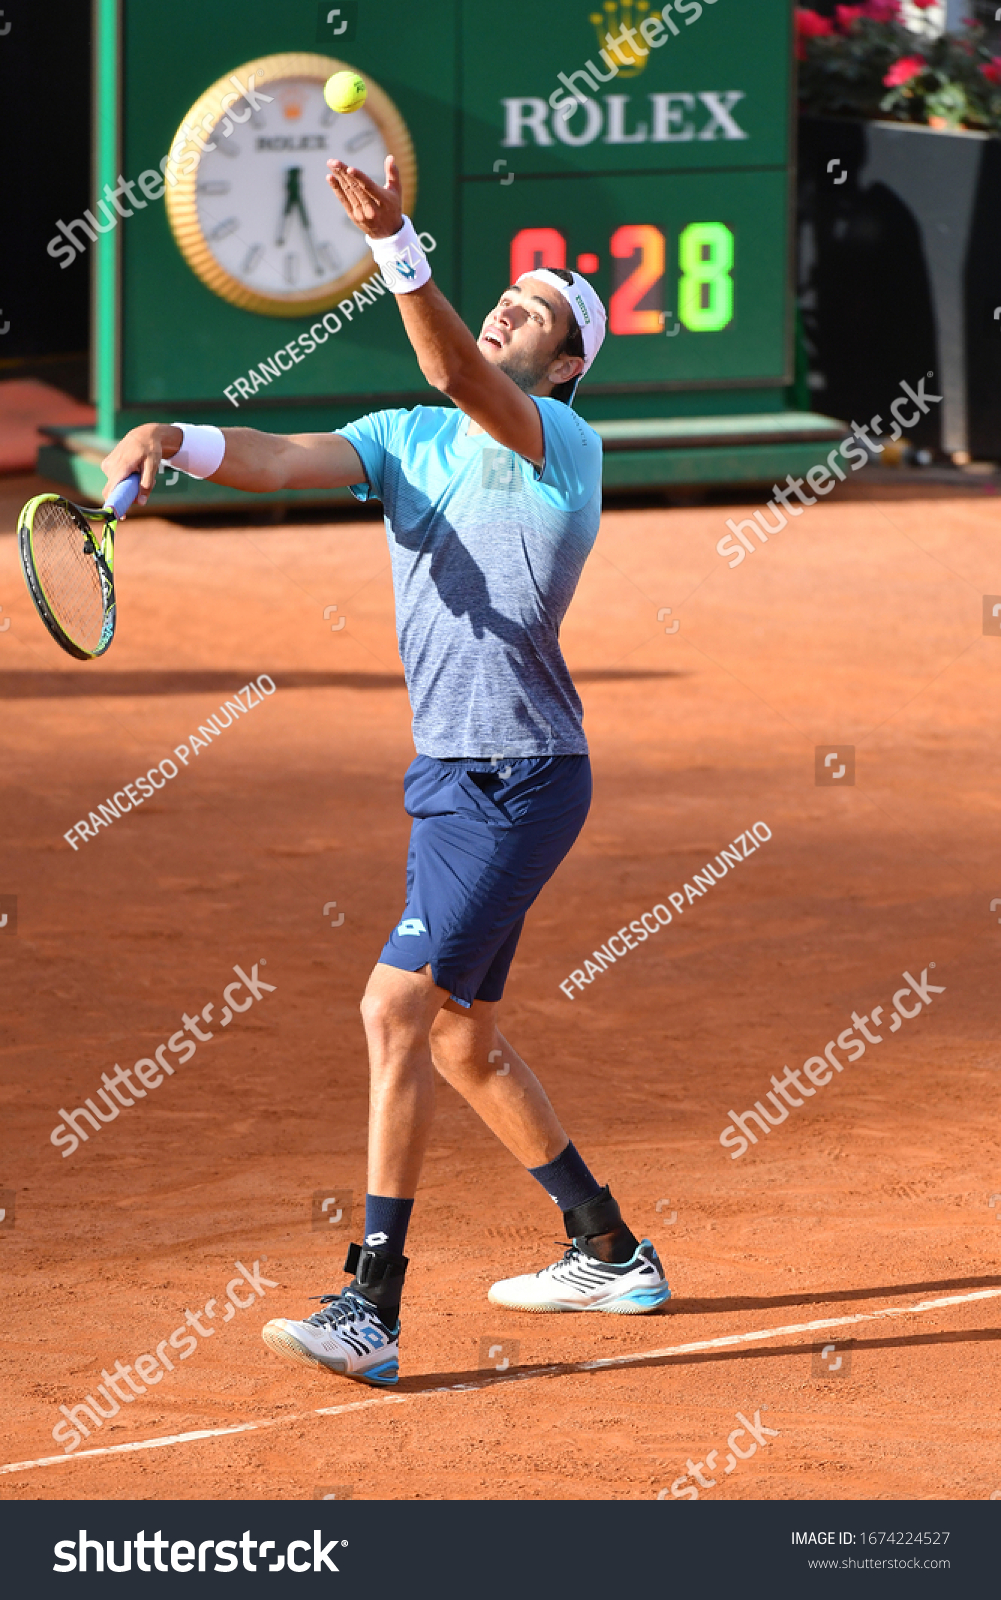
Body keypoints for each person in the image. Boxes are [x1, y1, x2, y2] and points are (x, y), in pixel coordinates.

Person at [100, 153, 670, 1389]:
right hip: (449, 777)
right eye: (509, 290)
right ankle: (608, 1245)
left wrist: (397, 246)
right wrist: (173, 439)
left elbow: (453, 364)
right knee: (461, 1038)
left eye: (543, 308)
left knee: (392, 1008)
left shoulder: (557, 437)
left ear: (568, 363)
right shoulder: (404, 438)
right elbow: (277, 459)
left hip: (523, 773)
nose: (516, 305)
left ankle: (373, 1302)